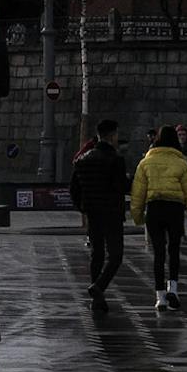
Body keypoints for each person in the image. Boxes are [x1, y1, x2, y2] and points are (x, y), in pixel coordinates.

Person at [131, 126, 187, 309]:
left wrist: (137, 216)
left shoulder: (146, 162)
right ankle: (173, 288)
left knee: (158, 253)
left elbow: (138, 192)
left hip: (154, 209)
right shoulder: (181, 163)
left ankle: (160, 297)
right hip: (174, 209)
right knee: (174, 250)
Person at [69, 119, 130, 309]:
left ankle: (97, 298)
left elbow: (74, 189)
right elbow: (121, 187)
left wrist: (83, 207)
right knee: (116, 256)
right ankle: (99, 287)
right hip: (112, 213)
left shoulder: (83, 159)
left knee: (97, 254)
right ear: (112, 136)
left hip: (93, 213)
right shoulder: (116, 160)